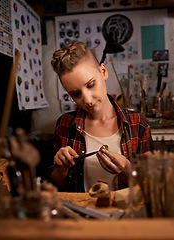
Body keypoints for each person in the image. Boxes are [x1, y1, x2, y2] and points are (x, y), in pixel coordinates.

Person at [50, 41, 152, 192]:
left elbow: (150, 185)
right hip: (82, 213)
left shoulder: (139, 124)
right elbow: (60, 187)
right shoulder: (64, 124)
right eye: (75, 94)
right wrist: (61, 170)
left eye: (91, 85)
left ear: (103, 71)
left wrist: (127, 169)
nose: (87, 99)